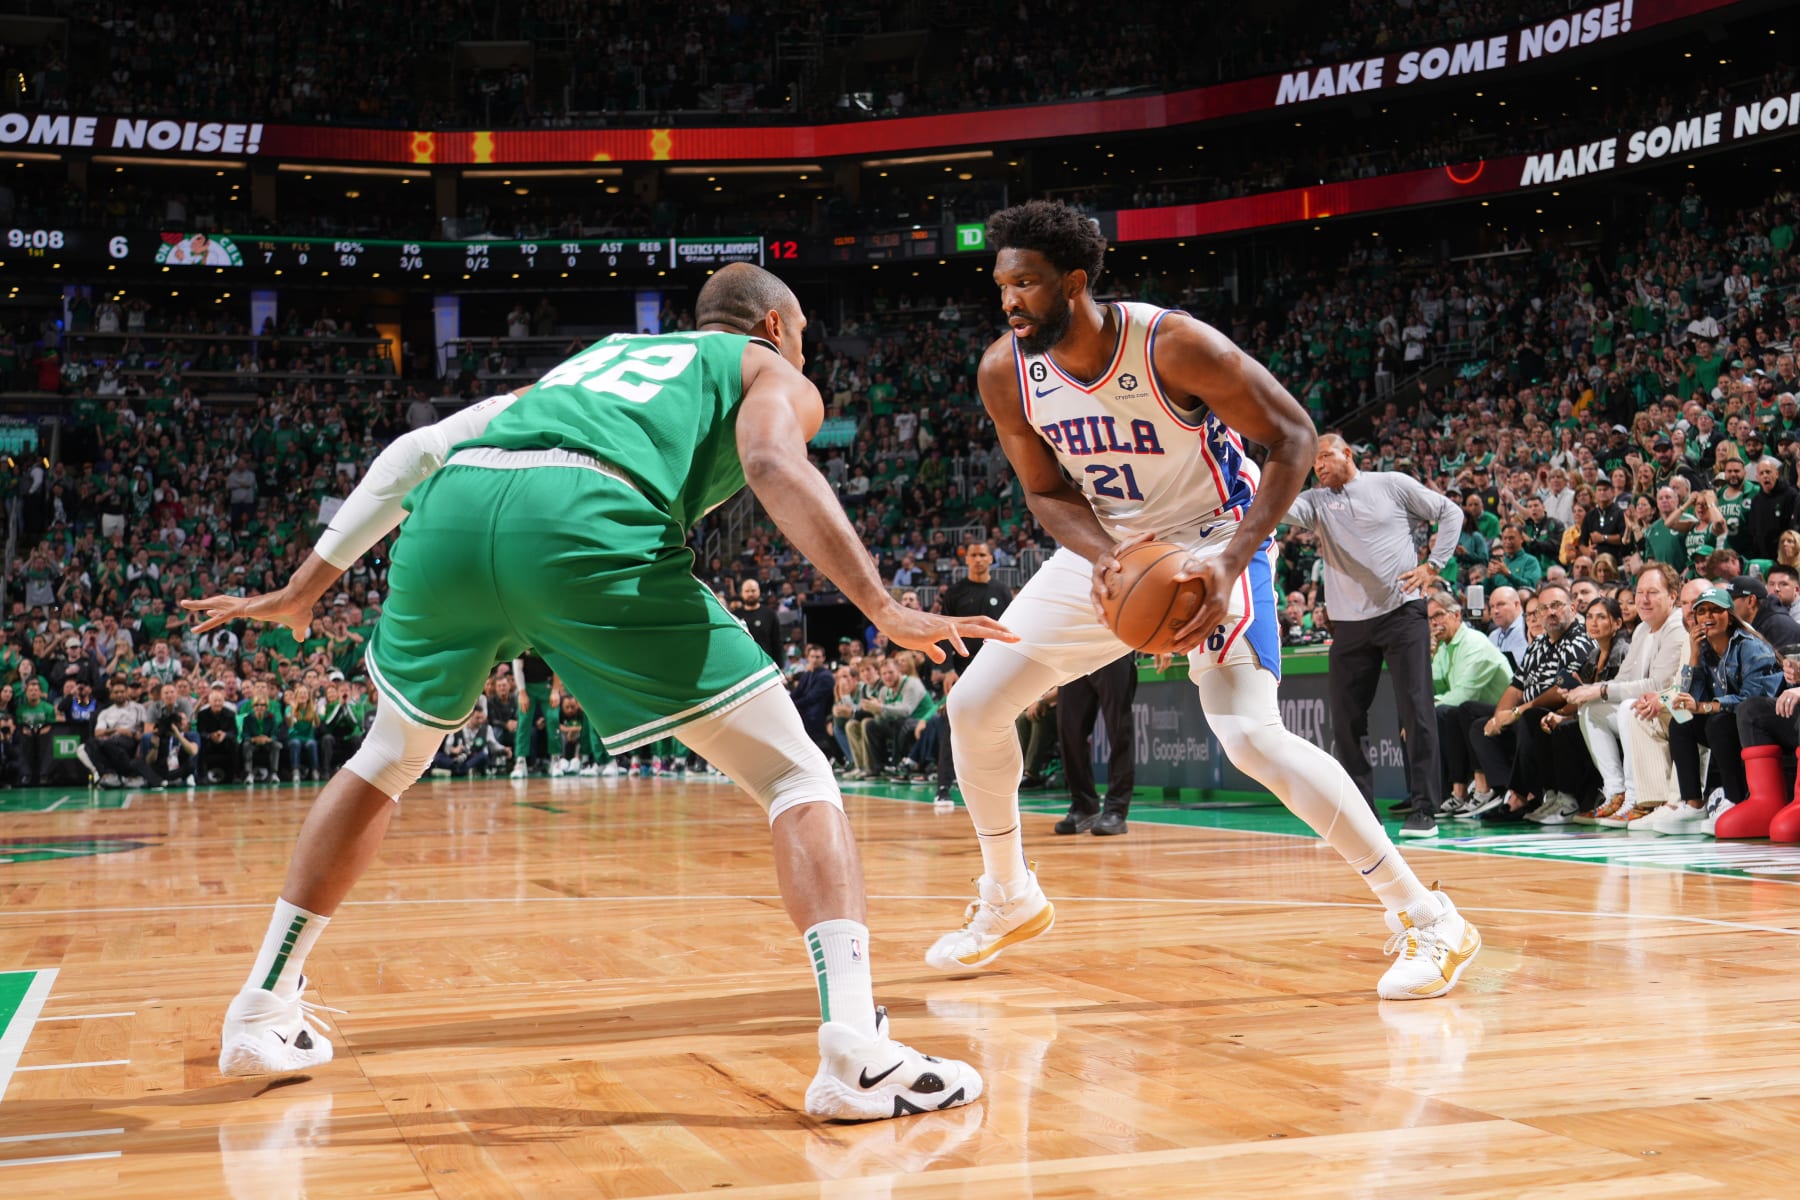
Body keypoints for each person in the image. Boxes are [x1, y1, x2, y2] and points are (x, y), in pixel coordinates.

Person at [184, 264, 1012, 1122]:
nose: (807, 357)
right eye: (802, 338)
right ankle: (855, 1052)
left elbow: (417, 452)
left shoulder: (600, 359)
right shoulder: (766, 368)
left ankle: (261, 1006)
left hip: (454, 518)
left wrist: (304, 586)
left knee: (387, 758)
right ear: (773, 325)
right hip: (583, 515)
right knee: (796, 778)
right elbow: (769, 458)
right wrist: (881, 605)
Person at [929, 199, 1480, 1003]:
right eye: (1001, 284)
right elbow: (1046, 492)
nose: (1008, 300)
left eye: (1027, 284)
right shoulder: (1003, 371)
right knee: (975, 707)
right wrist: (1109, 558)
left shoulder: (1171, 344)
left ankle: (1430, 918)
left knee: (1249, 737)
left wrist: (1230, 560)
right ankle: (1010, 895)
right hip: (1117, 545)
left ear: (1075, 283)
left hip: (1215, 535)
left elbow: (1293, 436)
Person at [1287, 434, 1462, 836]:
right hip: (1348, 624)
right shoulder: (1315, 501)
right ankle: (1363, 814)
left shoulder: (1392, 484)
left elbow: (1450, 512)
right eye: (1314, 464)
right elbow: (1278, 507)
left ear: (1348, 453)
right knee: (1346, 721)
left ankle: (1424, 810)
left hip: (1402, 613)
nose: (1319, 467)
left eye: (1325, 458)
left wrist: (1433, 566)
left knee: (1417, 712)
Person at [1654, 585, 1782, 833]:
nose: (1708, 617)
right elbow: (1689, 701)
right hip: (1727, 721)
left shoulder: (1750, 647)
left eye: (1716, 610)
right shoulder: (1703, 648)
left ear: (1730, 615)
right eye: (1702, 612)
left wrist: (1706, 706)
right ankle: (1693, 804)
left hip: (1762, 723)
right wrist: (1693, 657)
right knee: (1681, 722)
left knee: (1718, 722)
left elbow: (1753, 701)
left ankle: (1734, 799)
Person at [1566, 562, 1686, 824]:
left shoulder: (1677, 627)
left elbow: (1657, 686)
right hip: (1645, 710)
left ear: (1673, 596)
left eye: (1652, 592)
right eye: (1639, 593)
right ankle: (1615, 793)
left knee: (1626, 706)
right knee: (1591, 709)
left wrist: (1601, 688)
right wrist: (1592, 692)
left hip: (1673, 708)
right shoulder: (1643, 628)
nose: (1643, 600)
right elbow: (1626, 677)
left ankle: (1637, 798)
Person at [934, 542, 1013, 804]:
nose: (978, 559)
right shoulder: (956, 593)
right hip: (963, 669)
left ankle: (1002, 787)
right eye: (973, 555)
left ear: (991, 558)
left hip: (996, 670)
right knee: (953, 725)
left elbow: (1009, 630)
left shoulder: (1002, 591)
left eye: (982, 554)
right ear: (965, 559)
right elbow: (944, 632)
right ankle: (943, 787)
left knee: (1001, 726)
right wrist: (946, 670)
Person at [1426, 590, 1512, 817]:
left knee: (1450, 712)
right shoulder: (1444, 647)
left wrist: (1425, 711)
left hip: (1502, 710)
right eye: (1431, 619)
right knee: (1443, 713)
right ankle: (1452, 793)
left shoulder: (1474, 643)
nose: (1435, 623)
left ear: (1456, 615)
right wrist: (1429, 657)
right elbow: (1434, 687)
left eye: (1439, 615)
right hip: (1469, 711)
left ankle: (1480, 790)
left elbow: (1463, 694)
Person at [1054, 651, 1139, 835]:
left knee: (1119, 730)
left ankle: (1116, 810)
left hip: (1114, 646)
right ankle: (1084, 806)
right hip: (1075, 650)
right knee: (1069, 730)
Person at [1485, 585, 1528, 663]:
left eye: (1501, 604)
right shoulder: (1493, 636)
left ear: (1517, 604)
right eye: (1492, 606)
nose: (1495, 611)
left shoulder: (1527, 630)